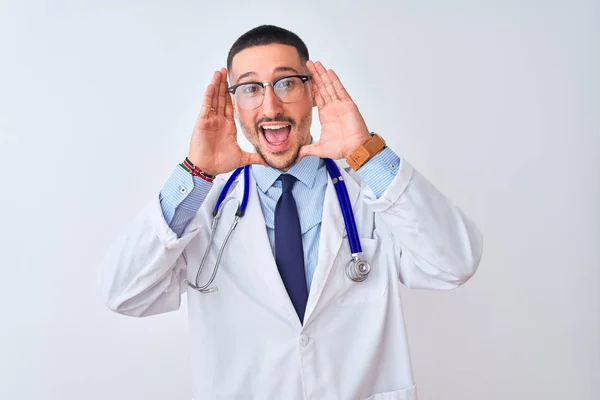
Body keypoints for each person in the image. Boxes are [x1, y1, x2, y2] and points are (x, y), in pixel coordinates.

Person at [98, 25, 483, 400]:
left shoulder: (368, 192)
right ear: (234, 104)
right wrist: (194, 175)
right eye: (250, 88)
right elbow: (123, 293)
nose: (270, 106)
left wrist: (367, 154)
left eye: (286, 83)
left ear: (311, 91)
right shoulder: (205, 211)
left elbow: (454, 262)